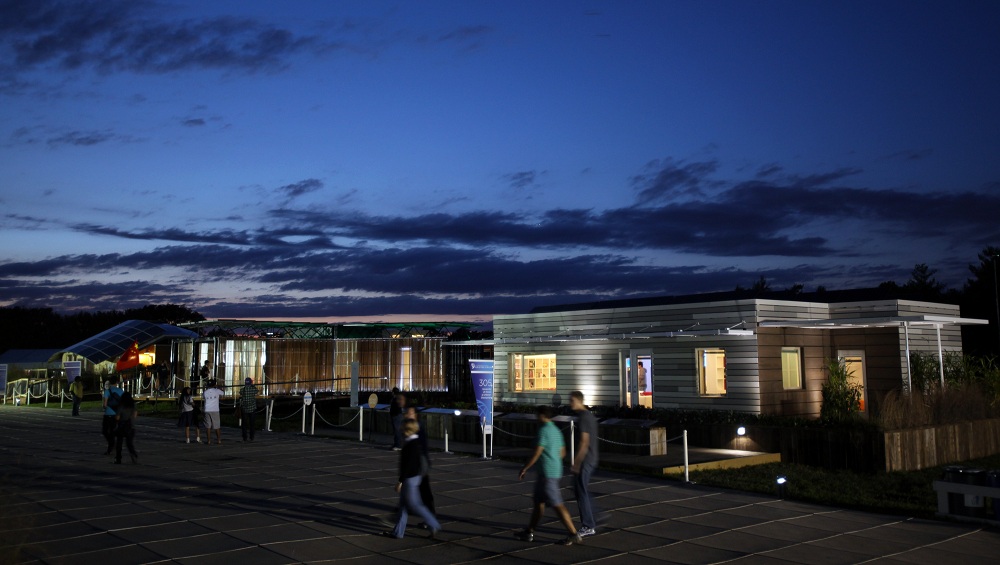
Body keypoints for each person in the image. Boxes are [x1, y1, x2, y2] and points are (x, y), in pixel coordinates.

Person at [516, 405, 581, 545]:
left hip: (547, 473)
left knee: (557, 505)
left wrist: (525, 468)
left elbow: (537, 452)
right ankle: (529, 532)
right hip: (553, 471)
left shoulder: (543, 430)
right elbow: (563, 452)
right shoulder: (556, 430)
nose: (535, 418)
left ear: (541, 416)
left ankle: (573, 533)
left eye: (537, 415)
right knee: (538, 503)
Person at [382, 420, 441, 539]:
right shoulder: (413, 442)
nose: (401, 430)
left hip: (410, 479)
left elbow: (407, 466)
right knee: (403, 506)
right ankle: (398, 532)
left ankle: (434, 524)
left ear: (408, 430)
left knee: (415, 505)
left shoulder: (411, 445)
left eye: (403, 428)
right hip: (413, 478)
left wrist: (400, 481)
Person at [570, 391, 600, 538]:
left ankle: (588, 524)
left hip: (586, 459)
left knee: (580, 491)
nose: (570, 404)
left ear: (578, 401)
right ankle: (595, 517)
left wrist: (576, 462)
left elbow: (584, 442)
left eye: (572, 401)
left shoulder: (583, 418)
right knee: (581, 490)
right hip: (591, 458)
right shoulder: (589, 416)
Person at [404, 407, 435, 515]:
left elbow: (421, 447)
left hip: (419, 465)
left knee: (423, 491)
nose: (408, 415)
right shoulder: (411, 426)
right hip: (417, 465)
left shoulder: (417, 428)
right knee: (419, 492)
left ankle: (431, 520)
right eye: (408, 413)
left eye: (411, 413)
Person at [114, 391, 139, 464]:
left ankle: (118, 458)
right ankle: (133, 454)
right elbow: (135, 415)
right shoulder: (133, 405)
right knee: (129, 443)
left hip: (121, 426)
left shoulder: (121, 406)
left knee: (119, 443)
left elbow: (117, 417)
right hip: (131, 426)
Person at [102, 376, 125, 455]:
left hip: (108, 414)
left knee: (105, 431)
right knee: (113, 430)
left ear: (109, 382)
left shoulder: (107, 391)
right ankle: (113, 446)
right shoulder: (121, 391)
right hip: (117, 414)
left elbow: (105, 404)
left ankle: (111, 445)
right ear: (117, 382)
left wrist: (105, 406)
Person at [201, 379, 224, 445]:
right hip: (215, 410)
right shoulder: (217, 391)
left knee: (208, 426)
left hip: (207, 409)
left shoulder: (205, 392)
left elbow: (203, 397)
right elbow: (222, 393)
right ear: (214, 384)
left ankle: (208, 441)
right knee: (217, 426)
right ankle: (219, 440)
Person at [238, 377, 259, 442]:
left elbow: (240, 393)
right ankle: (251, 437)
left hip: (244, 409)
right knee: (252, 423)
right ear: (251, 383)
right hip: (252, 408)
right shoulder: (253, 390)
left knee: (244, 424)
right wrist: (253, 386)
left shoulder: (242, 390)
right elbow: (257, 391)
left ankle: (245, 437)